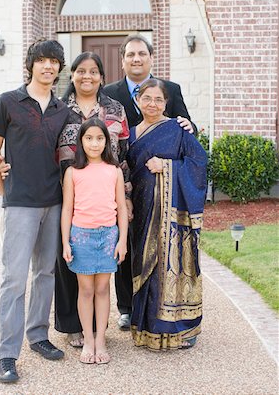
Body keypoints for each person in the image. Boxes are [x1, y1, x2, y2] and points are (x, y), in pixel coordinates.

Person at [0, 39, 69, 383]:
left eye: (54, 62)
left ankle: (38, 336)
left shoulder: (62, 109)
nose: (48, 67)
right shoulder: (8, 102)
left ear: (59, 69)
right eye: (42, 61)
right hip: (20, 203)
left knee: (45, 274)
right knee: (13, 279)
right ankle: (7, 353)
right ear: (31, 64)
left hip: (54, 201)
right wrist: (7, 191)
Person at [103, 34, 196, 330]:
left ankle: (164, 305)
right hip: (126, 186)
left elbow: (184, 129)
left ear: (151, 57)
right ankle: (127, 307)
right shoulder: (110, 93)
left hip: (165, 195)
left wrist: (189, 124)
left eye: (142, 53)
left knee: (165, 248)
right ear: (123, 60)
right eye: (130, 54)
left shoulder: (171, 89)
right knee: (125, 246)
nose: (136, 59)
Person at [55, 52, 131, 347]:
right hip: (64, 192)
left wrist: (127, 194)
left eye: (93, 71)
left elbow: (124, 154)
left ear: (101, 76)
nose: (87, 76)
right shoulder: (59, 109)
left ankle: (100, 332)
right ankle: (74, 327)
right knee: (69, 263)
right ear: (72, 75)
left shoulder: (115, 109)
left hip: (106, 196)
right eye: (80, 71)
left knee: (103, 273)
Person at [126, 78, 207, 351]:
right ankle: (145, 327)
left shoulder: (177, 129)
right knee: (143, 266)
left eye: (158, 99)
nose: (152, 104)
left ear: (166, 102)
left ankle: (179, 328)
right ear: (138, 100)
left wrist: (167, 166)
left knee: (169, 264)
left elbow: (199, 162)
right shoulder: (130, 135)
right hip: (141, 212)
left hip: (171, 218)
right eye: (147, 98)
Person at [61, 118, 128, 364]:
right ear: (81, 141)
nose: (94, 143)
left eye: (100, 138)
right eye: (89, 138)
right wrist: (66, 242)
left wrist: (122, 241)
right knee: (86, 289)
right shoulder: (73, 172)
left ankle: (101, 339)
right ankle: (87, 339)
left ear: (106, 142)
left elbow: (121, 207)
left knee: (102, 288)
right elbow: (67, 209)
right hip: (81, 236)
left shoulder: (114, 171)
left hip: (108, 235)